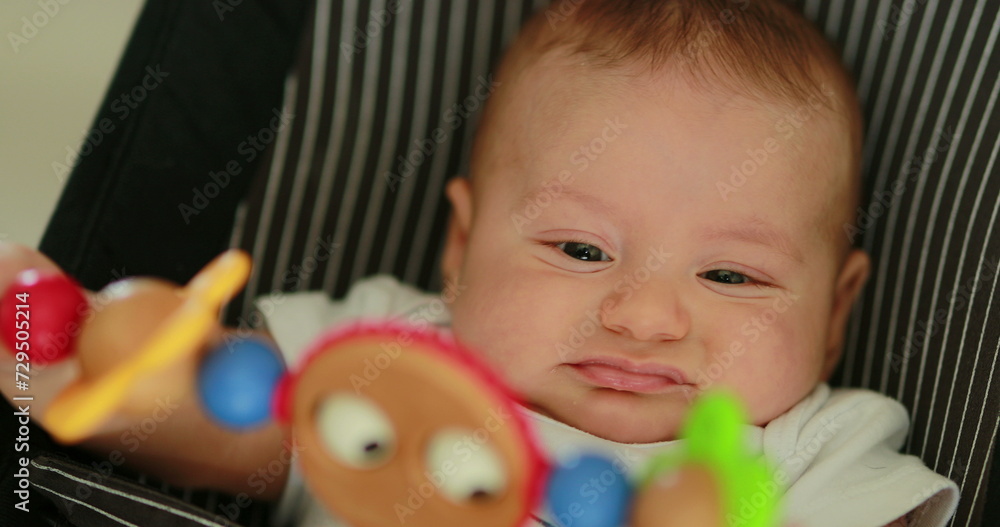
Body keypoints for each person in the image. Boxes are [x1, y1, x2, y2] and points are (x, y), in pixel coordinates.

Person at [0, 1, 959, 526]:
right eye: (580, 249)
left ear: (837, 312)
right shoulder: (394, 351)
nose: (644, 316)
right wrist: (106, 365)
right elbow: (248, 438)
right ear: (460, 249)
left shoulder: (807, 453)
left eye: (731, 275)